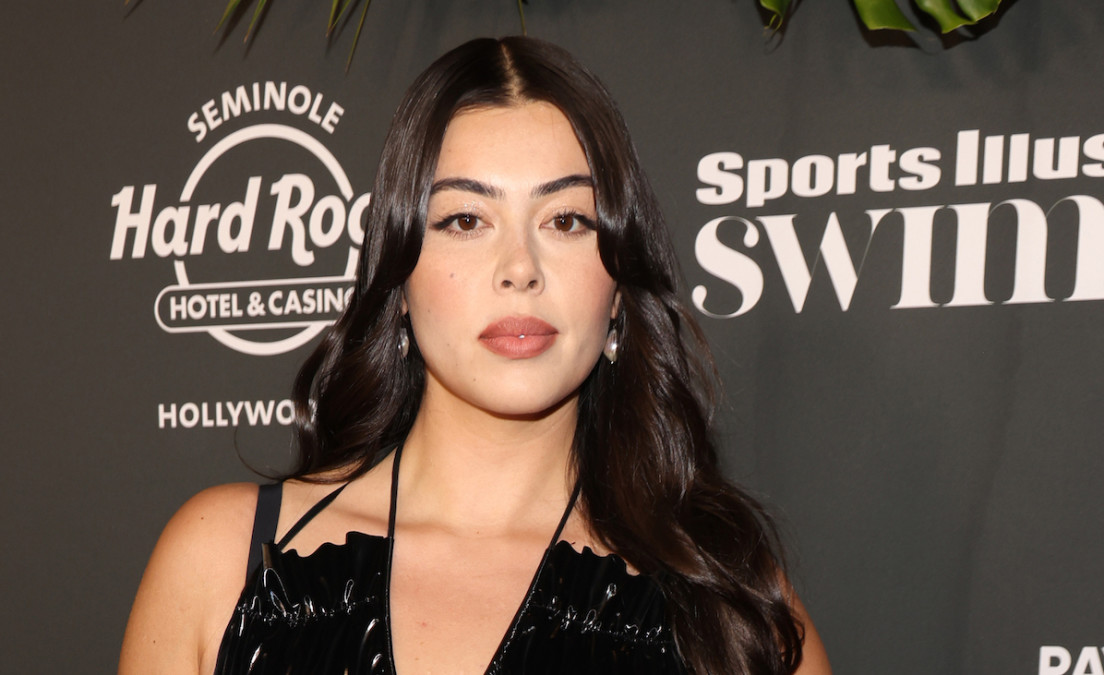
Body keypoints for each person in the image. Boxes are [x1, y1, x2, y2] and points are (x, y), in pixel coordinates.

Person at [119, 36, 832, 675]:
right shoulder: (222, 560)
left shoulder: (724, 599)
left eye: (566, 219)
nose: (519, 267)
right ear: (399, 277)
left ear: (618, 289)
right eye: (465, 219)